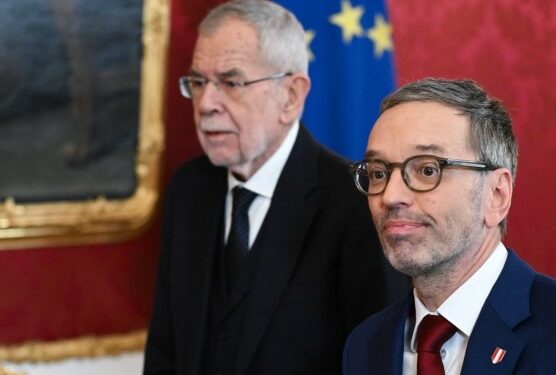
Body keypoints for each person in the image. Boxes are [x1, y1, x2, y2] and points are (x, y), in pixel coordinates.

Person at [144, 1, 406, 374]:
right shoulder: (188, 190)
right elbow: (164, 350)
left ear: (291, 96)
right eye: (199, 82)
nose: (206, 104)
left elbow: (375, 364)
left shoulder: (357, 205)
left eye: (231, 82)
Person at [343, 78, 556, 374]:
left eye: (427, 169)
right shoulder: (367, 344)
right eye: (378, 173)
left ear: (497, 195)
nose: (391, 196)